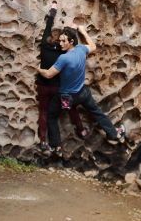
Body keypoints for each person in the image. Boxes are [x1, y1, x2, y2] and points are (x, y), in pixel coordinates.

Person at [37, 23, 126, 152]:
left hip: (66, 97)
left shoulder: (64, 58)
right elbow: (93, 46)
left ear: (71, 41)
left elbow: (49, 74)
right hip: (82, 93)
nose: (60, 43)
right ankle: (114, 134)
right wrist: (83, 31)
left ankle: (56, 146)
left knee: (51, 115)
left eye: (63, 41)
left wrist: (39, 70)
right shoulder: (81, 49)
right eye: (60, 40)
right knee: (97, 112)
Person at [35, 2, 86, 150]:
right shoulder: (62, 51)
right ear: (60, 40)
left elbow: (48, 25)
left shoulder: (44, 44)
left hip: (43, 86)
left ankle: (43, 141)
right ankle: (80, 129)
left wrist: (53, 10)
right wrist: (73, 28)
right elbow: (68, 39)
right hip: (58, 88)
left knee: (44, 112)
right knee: (71, 108)